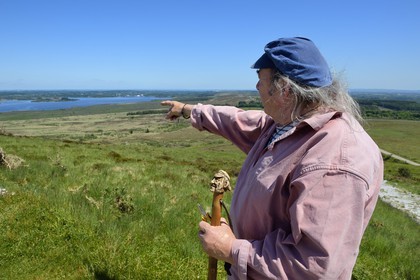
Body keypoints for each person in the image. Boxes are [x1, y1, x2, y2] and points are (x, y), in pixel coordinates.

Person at [161, 37, 383, 279]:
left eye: (260, 80)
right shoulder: (287, 123)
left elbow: (313, 267)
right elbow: (236, 120)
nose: (256, 87)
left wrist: (231, 249)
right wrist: (188, 110)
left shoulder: (336, 160)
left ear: (284, 89)